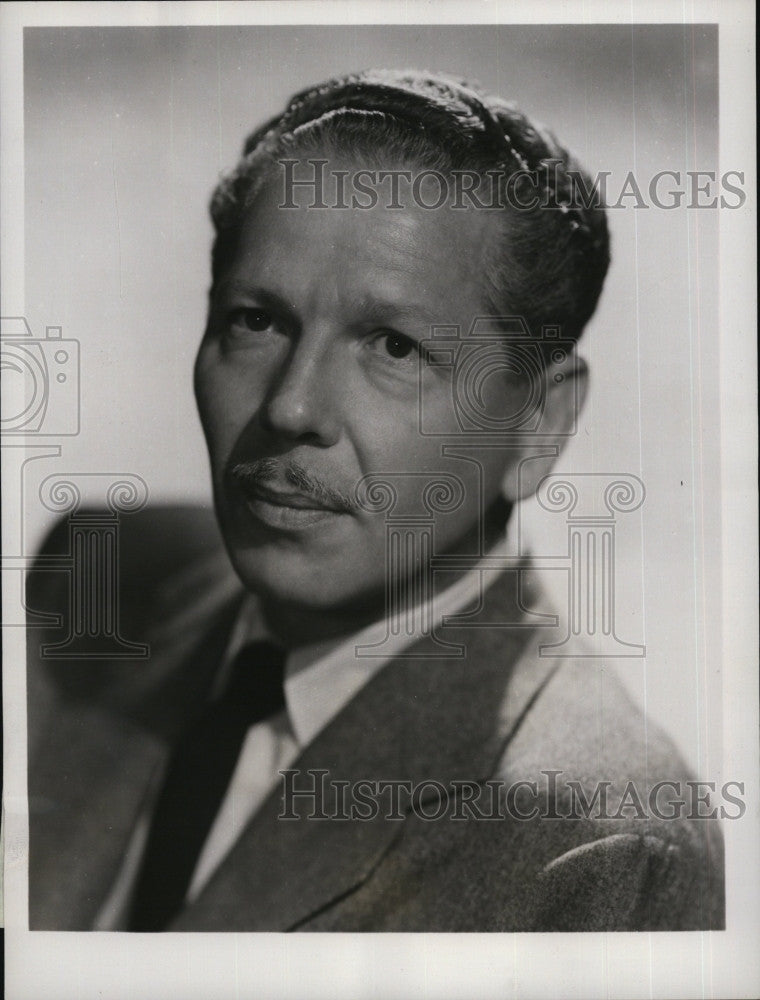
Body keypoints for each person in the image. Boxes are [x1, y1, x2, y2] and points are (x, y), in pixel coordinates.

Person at [26, 69, 724, 932]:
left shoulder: (593, 846)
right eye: (256, 320)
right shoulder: (97, 576)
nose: (291, 407)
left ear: (539, 424)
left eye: (393, 346)